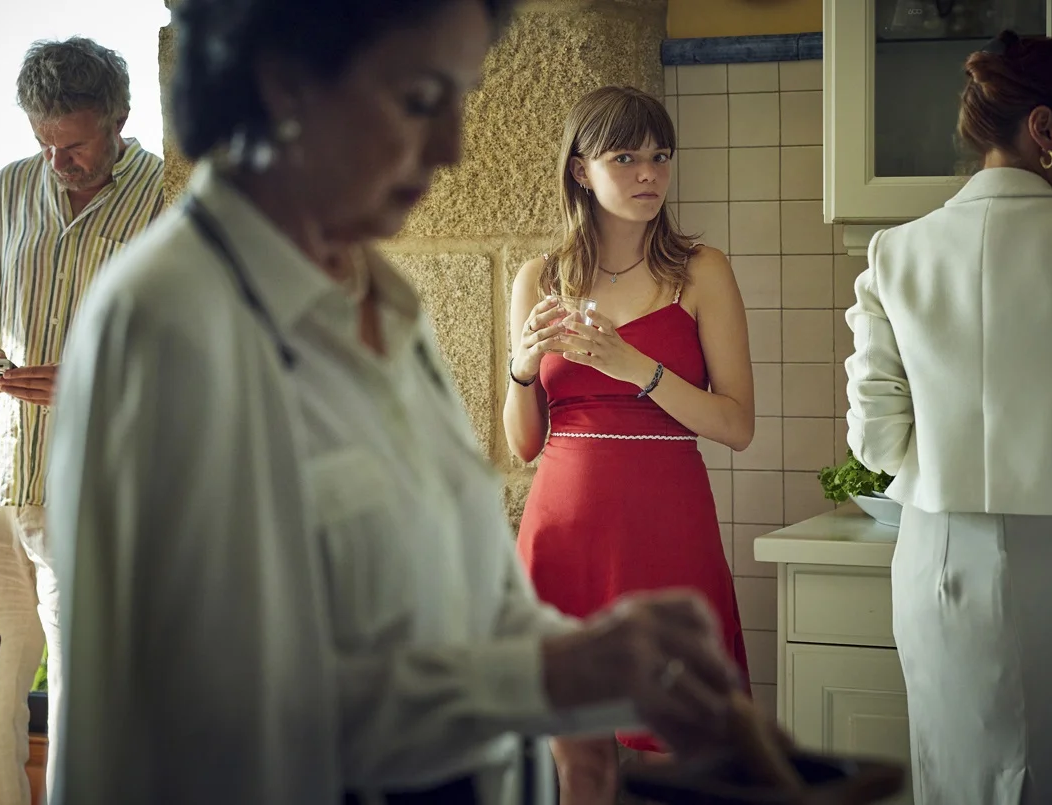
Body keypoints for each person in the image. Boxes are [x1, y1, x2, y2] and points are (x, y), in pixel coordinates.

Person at [44, 3, 807, 805]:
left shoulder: (390, 307)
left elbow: (439, 602)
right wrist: (541, 676)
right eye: (418, 98)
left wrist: (583, 668)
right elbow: (209, 704)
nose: (449, 147)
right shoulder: (165, 325)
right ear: (286, 89)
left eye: (457, 99)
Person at [844, 29, 1052, 805]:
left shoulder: (894, 252)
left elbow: (876, 440)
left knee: (956, 780)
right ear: (1044, 129)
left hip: (937, 561)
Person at [505, 85, 756, 804]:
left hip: (666, 527)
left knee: (684, 748)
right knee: (575, 760)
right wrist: (522, 368)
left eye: (661, 156)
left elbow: (737, 424)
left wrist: (635, 367)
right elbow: (523, 445)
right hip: (562, 532)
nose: (650, 173)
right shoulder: (539, 279)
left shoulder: (701, 270)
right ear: (581, 170)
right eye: (625, 157)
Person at [0, 36, 163, 805]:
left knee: (88, 709)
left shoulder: (166, 201)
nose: (57, 160)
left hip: (93, 494)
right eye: (44, 142)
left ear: (119, 119)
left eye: (74, 145)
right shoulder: (8, 189)